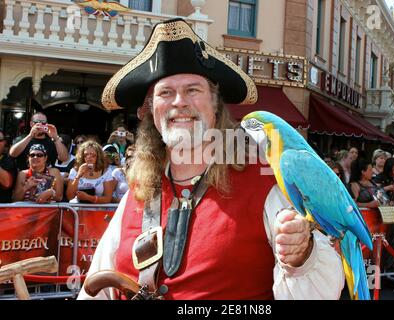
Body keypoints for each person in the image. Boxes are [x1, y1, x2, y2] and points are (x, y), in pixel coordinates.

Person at [78, 18, 344, 300]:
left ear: (215, 105)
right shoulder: (136, 191)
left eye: (193, 90)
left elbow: (322, 291)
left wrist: (301, 255)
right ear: (151, 110)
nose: (179, 102)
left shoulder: (265, 182)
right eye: (165, 93)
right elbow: (96, 289)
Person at [0, 129, 16, 203]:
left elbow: (7, 183)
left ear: (4, 142)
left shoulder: (8, 160)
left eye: (0, 140)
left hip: (3, 209)